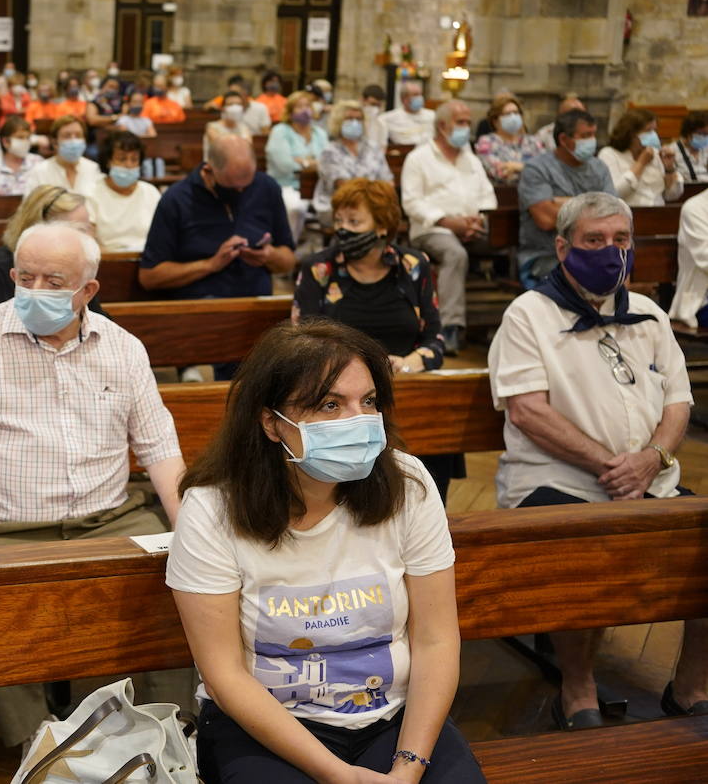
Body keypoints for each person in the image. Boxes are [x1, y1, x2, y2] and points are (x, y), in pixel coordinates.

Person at [167, 320, 483, 783]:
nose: (356, 420)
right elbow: (224, 675)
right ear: (272, 423)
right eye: (330, 405)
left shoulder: (408, 484)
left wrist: (408, 766)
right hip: (267, 727)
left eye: (368, 401)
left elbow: (436, 640)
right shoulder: (213, 508)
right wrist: (340, 775)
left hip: (392, 718)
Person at [0, 222, 189, 750]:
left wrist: (189, 528)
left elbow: (159, 448)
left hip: (111, 517)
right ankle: (39, 746)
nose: (35, 291)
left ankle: (165, 726)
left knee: (179, 577)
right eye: (26, 277)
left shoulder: (123, 346)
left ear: (88, 290)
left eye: (53, 280)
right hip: (11, 524)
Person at [488, 191, 708, 730]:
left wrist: (652, 458)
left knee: (704, 539)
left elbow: (679, 401)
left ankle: (691, 684)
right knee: (573, 542)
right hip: (556, 478)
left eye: (621, 240)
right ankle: (578, 686)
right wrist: (613, 465)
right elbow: (527, 412)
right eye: (594, 241)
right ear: (563, 248)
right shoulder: (529, 315)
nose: (610, 252)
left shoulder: (651, 316)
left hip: (648, 479)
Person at [294, 178, 460, 500]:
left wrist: (409, 363)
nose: (343, 230)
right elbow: (302, 345)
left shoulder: (413, 266)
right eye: (339, 221)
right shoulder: (319, 269)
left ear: (383, 227)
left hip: (406, 391)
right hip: (339, 401)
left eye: (354, 222)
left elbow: (435, 338)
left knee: (433, 441)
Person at [139, 133, 295, 379]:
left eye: (248, 185)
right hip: (201, 314)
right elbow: (149, 276)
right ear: (209, 170)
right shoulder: (177, 199)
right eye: (233, 187)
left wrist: (268, 255)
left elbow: (288, 259)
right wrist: (210, 265)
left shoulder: (266, 188)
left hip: (257, 308)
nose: (242, 192)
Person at [399, 100, 497, 353]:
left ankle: (505, 324)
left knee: (513, 240)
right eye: (461, 122)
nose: (467, 128)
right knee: (455, 254)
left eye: (468, 122)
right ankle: (450, 328)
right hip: (433, 229)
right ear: (442, 126)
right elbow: (411, 202)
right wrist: (447, 221)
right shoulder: (419, 158)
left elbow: (488, 195)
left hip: (473, 227)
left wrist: (478, 219)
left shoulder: (470, 159)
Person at [0, 186, 102, 334]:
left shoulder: (76, 267)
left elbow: (95, 319)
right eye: (79, 230)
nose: (89, 237)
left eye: (88, 227)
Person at [517, 109, 616, 288]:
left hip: (597, 253)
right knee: (586, 276)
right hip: (547, 256)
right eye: (585, 135)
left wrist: (561, 202)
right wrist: (593, 205)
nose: (592, 141)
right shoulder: (537, 169)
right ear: (563, 139)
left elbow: (612, 215)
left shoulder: (599, 167)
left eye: (593, 134)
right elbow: (546, 220)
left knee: (621, 270)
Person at [265, 90, 328, 239]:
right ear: (290, 111)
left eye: (307, 105)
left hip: (318, 186)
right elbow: (284, 164)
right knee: (296, 207)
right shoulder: (280, 131)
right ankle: (288, 246)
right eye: (299, 106)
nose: (304, 109)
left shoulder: (320, 133)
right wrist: (312, 163)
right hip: (287, 184)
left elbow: (328, 162)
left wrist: (302, 161)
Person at [313, 101, 392, 219]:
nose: (355, 122)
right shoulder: (329, 151)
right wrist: (374, 191)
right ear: (339, 122)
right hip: (339, 207)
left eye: (359, 119)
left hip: (373, 206)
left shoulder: (372, 148)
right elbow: (345, 187)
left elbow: (388, 182)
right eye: (349, 118)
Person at [88, 130, 162, 252]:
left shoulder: (150, 192)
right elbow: (88, 241)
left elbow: (163, 233)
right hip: (108, 261)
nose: (128, 165)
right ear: (108, 161)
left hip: (147, 259)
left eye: (134, 160)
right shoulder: (92, 193)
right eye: (122, 159)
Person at [600, 107, 683, 207]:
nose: (653, 135)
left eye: (654, 130)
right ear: (631, 133)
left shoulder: (656, 154)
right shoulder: (609, 154)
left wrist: (669, 169)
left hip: (658, 214)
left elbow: (672, 195)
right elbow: (616, 193)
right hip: (628, 215)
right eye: (648, 131)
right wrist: (641, 163)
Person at [473, 94, 544, 185]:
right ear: (495, 121)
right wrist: (534, 170)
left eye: (516, 112)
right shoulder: (486, 143)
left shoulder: (533, 141)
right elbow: (501, 174)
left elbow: (546, 171)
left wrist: (517, 167)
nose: (513, 117)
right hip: (503, 195)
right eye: (507, 114)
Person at [26, 115, 103, 196]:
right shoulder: (40, 172)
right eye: (67, 136)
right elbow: (30, 207)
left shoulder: (93, 169)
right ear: (55, 142)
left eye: (78, 135)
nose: (74, 140)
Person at [205, 91, 271, 157]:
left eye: (238, 104)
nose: (235, 107)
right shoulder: (212, 127)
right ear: (223, 108)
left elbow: (247, 148)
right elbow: (223, 148)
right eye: (230, 104)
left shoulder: (244, 128)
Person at [379, 80, 434, 146]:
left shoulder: (432, 115)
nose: (420, 98)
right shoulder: (387, 118)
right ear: (403, 98)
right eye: (415, 95)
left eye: (420, 94)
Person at [674, 110, 708, 182]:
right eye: (702, 134)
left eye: (707, 135)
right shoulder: (672, 151)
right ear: (688, 132)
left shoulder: (706, 148)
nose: (705, 137)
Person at [361, 84, 388, 150]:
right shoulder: (353, 121)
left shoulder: (382, 124)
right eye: (373, 104)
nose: (375, 108)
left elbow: (383, 148)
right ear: (363, 100)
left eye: (378, 105)